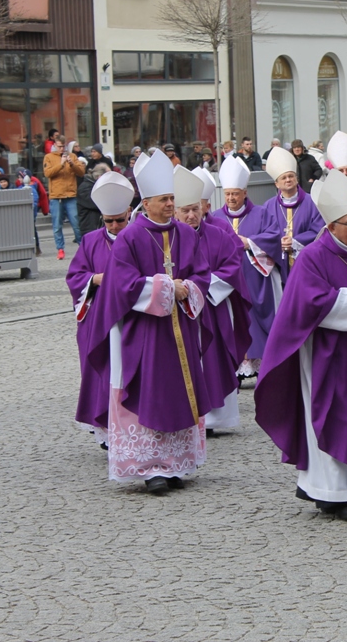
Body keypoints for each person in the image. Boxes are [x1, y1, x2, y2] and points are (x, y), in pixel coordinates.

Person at [255, 169, 347, 522]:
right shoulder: (313, 257)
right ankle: (332, 493)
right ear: (331, 226)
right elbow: (308, 304)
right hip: (329, 356)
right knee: (337, 416)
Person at [85, 149, 211, 495]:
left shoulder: (186, 234)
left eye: (172, 198)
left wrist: (190, 289)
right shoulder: (130, 236)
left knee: (177, 390)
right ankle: (150, 466)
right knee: (148, 391)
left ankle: (175, 464)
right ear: (146, 203)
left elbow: (202, 274)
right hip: (143, 333)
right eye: (163, 200)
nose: (170, 204)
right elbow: (120, 284)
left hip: (180, 330)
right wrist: (168, 287)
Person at [174, 166, 252, 436]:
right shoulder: (167, 239)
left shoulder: (218, 234)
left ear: (204, 208)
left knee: (214, 357)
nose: (191, 215)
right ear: (175, 212)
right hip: (178, 311)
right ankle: (185, 415)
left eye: (195, 209)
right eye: (186, 210)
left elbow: (232, 268)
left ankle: (214, 420)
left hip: (214, 308)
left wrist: (198, 288)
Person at [66, 171, 134, 450]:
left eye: (120, 220)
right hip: (99, 322)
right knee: (102, 373)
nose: (115, 226)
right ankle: (107, 428)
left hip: (133, 319)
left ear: (129, 213)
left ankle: (134, 428)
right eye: (109, 221)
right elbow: (75, 276)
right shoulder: (91, 241)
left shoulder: (140, 237)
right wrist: (95, 279)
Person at [211, 156, 284, 378]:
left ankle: (261, 364)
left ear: (244, 193)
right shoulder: (215, 217)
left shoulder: (261, 213)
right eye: (227, 194)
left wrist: (249, 243)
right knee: (232, 319)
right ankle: (236, 369)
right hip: (228, 282)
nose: (231, 198)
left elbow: (274, 237)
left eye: (235, 194)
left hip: (255, 278)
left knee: (255, 320)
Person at [264, 146, 326, 290]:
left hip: (307, 264)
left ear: (297, 179)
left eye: (291, 176)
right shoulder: (268, 206)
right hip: (278, 265)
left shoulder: (312, 202)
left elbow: (320, 230)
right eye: (284, 177)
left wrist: (295, 242)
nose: (288, 180)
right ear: (276, 183)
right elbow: (264, 234)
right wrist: (277, 243)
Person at [43, 136, 85, 260]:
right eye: (59, 146)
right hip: (56, 196)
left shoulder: (72, 156)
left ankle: (82, 247)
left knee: (76, 223)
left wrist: (72, 164)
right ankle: (60, 249)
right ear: (55, 146)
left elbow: (81, 172)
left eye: (63, 146)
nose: (62, 149)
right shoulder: (48, 157)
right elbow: (48, 173)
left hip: (70, 195)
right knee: (57, 225)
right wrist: (61, 164)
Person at [76, 164, 110, 236]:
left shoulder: (96, 186)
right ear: (99, 177)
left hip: (97, 226)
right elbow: (96, 204)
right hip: (91, 228)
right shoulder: (85, 188)